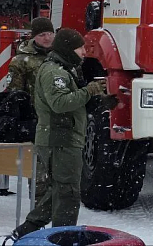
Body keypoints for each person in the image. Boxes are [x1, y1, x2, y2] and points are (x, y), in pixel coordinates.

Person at [9, 28, 114, 240]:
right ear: (68, 49)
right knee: (68, 194)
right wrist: (89, 91)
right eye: (80, 48)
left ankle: (29, 229)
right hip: (60, 140)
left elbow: (71, 101)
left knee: (60, 189)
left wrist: (97, 99)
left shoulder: (64, 69)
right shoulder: (55, 72)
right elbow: (60, 103)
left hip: (63, 139)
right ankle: (62, 238)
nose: (84, 52)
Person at [2, 17, 55, 197]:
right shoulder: (21, 60)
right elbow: (15, 94)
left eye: (49, 34)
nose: (47, 38)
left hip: (59, 118)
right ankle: (39, 202)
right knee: (39, 167)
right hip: (36, 120)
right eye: (42, 35)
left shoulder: (62, 56)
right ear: (34, 36)